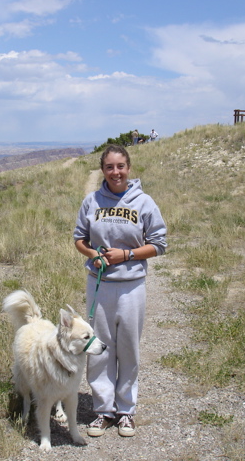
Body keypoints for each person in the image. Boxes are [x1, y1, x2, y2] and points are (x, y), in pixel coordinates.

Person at [73, 144, 167, 438]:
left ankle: (126, 411)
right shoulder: (92, 201)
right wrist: (93, 255)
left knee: (128, 348)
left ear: (129, 168)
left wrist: (126, 256)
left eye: (121, 166)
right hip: (100, 285)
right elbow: (79, 239)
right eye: (110, 167)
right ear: (103, 170)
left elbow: (159, 244)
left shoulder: (144, 202)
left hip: (131, 287)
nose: (116, 172)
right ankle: (103, 411)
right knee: (99, 348)